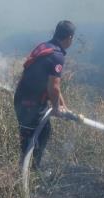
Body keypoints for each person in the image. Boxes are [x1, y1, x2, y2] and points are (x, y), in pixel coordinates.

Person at [14, 20, 75, 170]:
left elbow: (53, 87)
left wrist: (63, 106)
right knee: (38, 136)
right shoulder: (57, 56)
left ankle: (27, 171)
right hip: (31, 104)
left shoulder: (45, 46)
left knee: (32, 136)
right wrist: (55, 108)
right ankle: (30, 173)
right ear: (70, 38)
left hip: (23, 100)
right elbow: (53, 86)